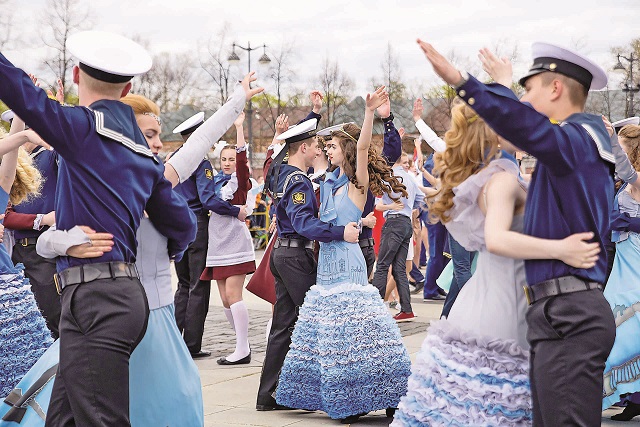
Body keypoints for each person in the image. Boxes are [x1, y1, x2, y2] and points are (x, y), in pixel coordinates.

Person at [0, 31, 198, 426]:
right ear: (127, 89)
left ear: (75, 75)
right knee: (61, 419)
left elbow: (21, 91)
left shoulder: (80, 129)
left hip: (97, 301)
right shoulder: (143, 154)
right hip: (115, 297)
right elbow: (184, 224)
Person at [418, 39, 617, 426]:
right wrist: (502, 88)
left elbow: (526, 128)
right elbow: (523, 130)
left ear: (555, 88)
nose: (524, 100)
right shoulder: (572, 144)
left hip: (570, 314)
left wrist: (465, 82)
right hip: (556, 312)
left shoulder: (577, 139)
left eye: (530, 88)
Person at [275, 87, 411, 424]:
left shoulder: (356, 183)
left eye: (332, 146)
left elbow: (363, 147)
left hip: (348, 261)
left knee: (359, 332)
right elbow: (293, 159)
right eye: (325, 147)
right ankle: (345, 396)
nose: (326, 150)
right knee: (334, 335)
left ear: (345, 150)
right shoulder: (326, 183)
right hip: (326, 264)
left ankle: (386, 394)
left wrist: (369, 115)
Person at [256, 117, 361, 412]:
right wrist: (341, 232)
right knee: (318, 320)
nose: (318, 151)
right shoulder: (299, 180)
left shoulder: (279, 173)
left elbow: (276, 168)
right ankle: (324, 391)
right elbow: (304, 224)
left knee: (283, 325)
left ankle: (269, 395)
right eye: (315, 145)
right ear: (303, 147)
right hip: (294, 257)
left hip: (281, 253)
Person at [4, 79, 62, 339]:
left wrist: (55, 114)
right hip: (24, 248)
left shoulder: (50, 154)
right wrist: (41, 218)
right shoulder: (11, 164)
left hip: (49, 246)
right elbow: (9, 216)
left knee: (53, 315)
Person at [0, 116, 53, 400]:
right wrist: (23, 136)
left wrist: (20, 117)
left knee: (28, 379)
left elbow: (8, 167)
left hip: (10, 298)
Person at [200, 111, 256, 365]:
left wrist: (239, 128)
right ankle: (240, 344)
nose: (227, 163)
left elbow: (243, 167)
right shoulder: (215, 182)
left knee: (234, 295)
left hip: (235, 240)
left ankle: (242, 348)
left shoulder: (241, 182)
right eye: (223, 159)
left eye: (231, 159)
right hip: (217, 242)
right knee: (224, 298)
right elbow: (208, 201)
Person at [602, 122, 640, 421]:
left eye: (624, 148)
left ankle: (634, 396)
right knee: (617, 323)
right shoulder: (624, 183)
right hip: (622, 258)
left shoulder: (635, 178)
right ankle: (630, 395)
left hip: (637, 256)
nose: (620, 153)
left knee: (630, 323)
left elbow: (626, 171)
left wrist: (612, 138)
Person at [171, 111, 215, 359]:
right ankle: (192, 344)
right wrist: (234, 210)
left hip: (177, 225)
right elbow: (207, 199)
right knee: (199, 286)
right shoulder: (201, 162)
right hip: (197, 225)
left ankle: (176, 339)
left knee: (183, 286)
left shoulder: (174, 158)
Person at [371, 146, 424, 322]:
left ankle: (375, 310)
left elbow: (377, 204)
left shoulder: (388, 178)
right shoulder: (409, 178)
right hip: (406, 223)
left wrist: (391, 206)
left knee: (382, 266)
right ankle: (406, 310)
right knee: (400, 269)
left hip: (393, 222)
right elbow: (419, 200)